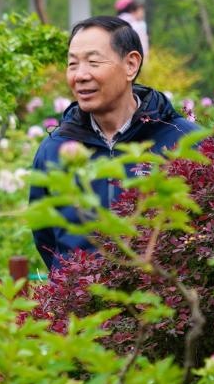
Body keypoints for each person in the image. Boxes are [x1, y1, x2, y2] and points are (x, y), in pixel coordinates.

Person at [28, 15, 199, 271]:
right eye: (72, 64)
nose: (80, 75)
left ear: (131, 64)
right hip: (79, 305)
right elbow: (46, 239)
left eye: (93, 62)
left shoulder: (182, 140)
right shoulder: (55, 148)